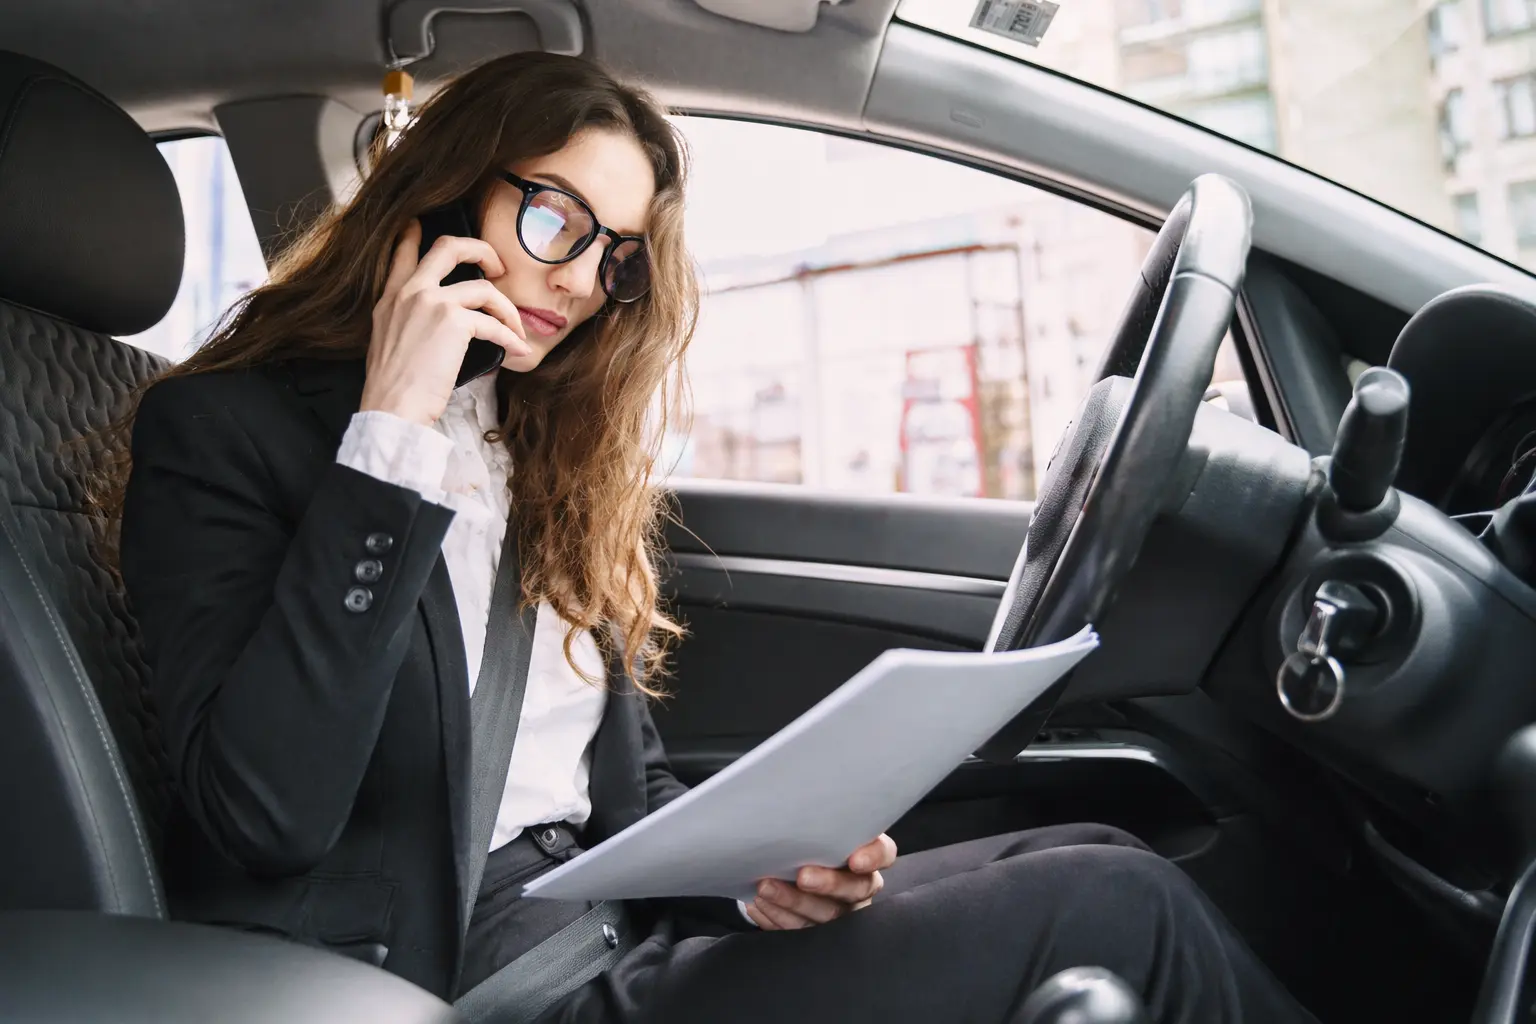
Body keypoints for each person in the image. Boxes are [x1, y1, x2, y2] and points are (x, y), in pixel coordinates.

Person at [110, 51, 1317, 1024]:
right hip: (446, 975)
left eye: (614, 253)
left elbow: (618, 800)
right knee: (1113, 908)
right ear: (445, 190)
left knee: (1099, 844)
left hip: (603, 923)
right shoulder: (226, 432)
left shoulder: (530, 444)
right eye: (553, 217)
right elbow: (265, 814)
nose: (580, 282)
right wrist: (388, 440)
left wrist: (760, 881)